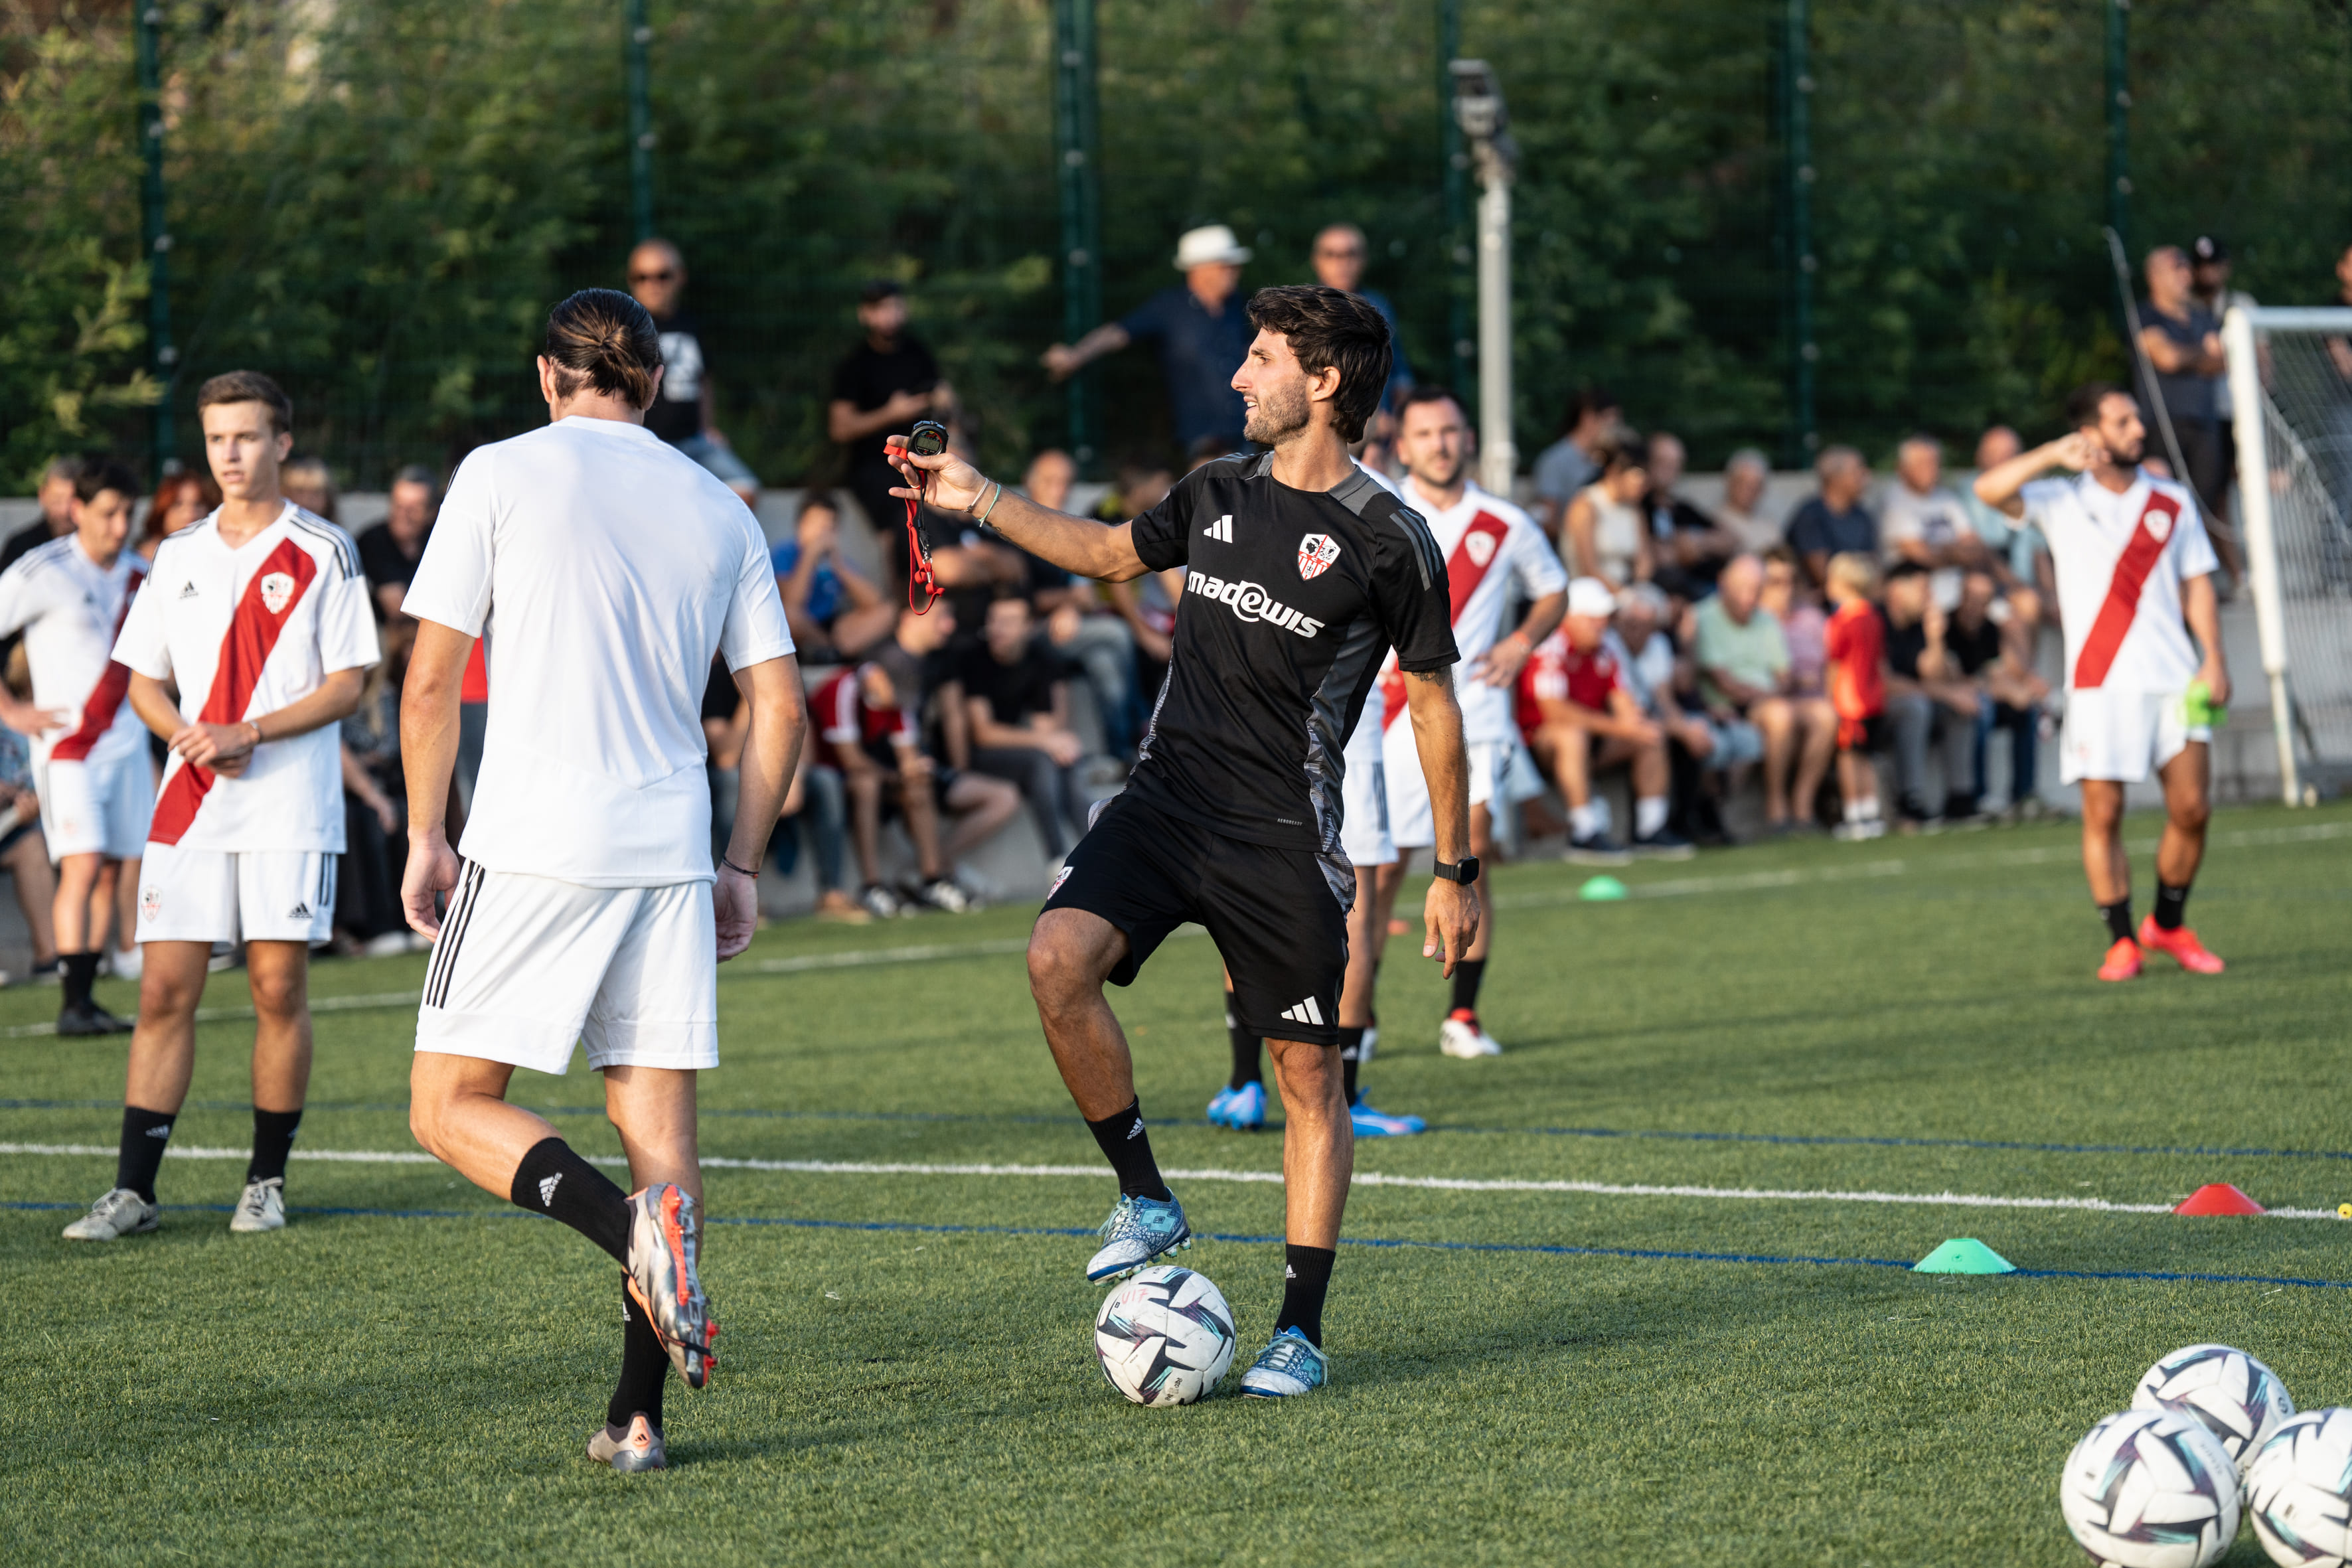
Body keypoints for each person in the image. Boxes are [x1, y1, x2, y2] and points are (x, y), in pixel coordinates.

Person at [889, 282, 1475, 1401]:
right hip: (1165, 799)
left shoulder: (1390, 539)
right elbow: (1109, 551)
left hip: (1280, 834)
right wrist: (981, 498)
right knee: (1057, 958)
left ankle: (1297, 1330)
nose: (1238, 375)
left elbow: (1434, 705)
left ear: (1325, 381)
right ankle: (1145, 1193)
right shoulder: (1212, 488)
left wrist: (1455, 871)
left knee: (1309, 1077)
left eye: (1260, 358)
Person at [399, 289, 803, 1471]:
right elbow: (774, 703)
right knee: (661, 1145)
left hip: (533, 837)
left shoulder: (497, 472)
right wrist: (741, 861)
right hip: (670, 845)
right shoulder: (716, 502)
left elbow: (430, 682)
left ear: (546, 375)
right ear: (657, 382)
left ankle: (618, 1231)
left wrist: (426, 833)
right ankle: (636, 1423)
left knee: (445, 1105)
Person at [63, 370, 378, 1243]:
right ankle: (133, 1189)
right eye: (215, 438)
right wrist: (188, 736)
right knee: (165, 987)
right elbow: (143, 682)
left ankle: (265, 1181)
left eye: (245, 436)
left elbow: (350, 683)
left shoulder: (324, 549)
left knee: (278, 986)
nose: (229, 454)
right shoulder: (176, 552)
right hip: (190, 801)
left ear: (281, 441)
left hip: (287, 802)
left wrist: (252, 731)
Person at [1974, 382, 2229, 981]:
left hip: (2173, 678)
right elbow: (1988, 490)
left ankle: (2166, 925)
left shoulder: (2171, 501)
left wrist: (2213, 657)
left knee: (2192, 808)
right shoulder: (2058, 500)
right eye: (2121, 422)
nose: (2137, 429)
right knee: (2103, 813)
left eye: (2135, 419)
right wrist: (2047, 455)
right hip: (2098, 682)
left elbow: (2196, 583)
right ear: (2089, 435)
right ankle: (2120, 941)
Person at [1375, 384, 1566, 1058]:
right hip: (1389, 709)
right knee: (1383, 867)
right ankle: (1358, 1019)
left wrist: (1521, 643)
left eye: (1451, 431)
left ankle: (1463, 1015)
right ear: (1403, 446)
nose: (1440, 443)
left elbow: (1554, 589)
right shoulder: (1379, 509)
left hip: (1475, 708)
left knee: (1469, 850)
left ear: (1469, 438)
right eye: (1425, 434)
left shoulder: (1504, 522)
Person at [0, 457, 153, 1032]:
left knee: (112, 870)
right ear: (77, 510)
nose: (120, 526)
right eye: (109, 513)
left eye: (129, 514)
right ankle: (71, 1004)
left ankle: (88, 999)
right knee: (83, 865)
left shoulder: (143, 574)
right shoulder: (41, 569)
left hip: (128, 745)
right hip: (70, 747)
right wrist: (11, 710)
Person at [812, 652, 1008, 919]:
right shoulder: (844, 688)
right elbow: (851, 759)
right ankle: (872, 885)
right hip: (834, 775)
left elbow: (907, 754)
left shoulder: (897, 695)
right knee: (866, 784)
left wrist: (912, 770)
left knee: (918, 784)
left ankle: (931, 879)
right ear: (879, 678)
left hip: (877, 772)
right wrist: (897, 775)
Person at [1045, 225, 1254, 459]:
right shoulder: (1169, 307)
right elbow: (1118, 333)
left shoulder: (1240, 306)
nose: (1235, 271)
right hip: (1199, 442)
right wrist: (1076, 356)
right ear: (1199, 268)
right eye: (1226, 265)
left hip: (1245, 435)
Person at [1518, 576, 1680, 864]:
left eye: (1603, 618)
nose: (1601, 625)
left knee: (1649, 734)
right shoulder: (1550, 647)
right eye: (1593, 618)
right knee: (1571, 735)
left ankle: (1651, 828)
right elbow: (1554, 711)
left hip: (1593, 738)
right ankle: (1585, 832)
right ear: (1572, 618)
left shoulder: (1607, 647)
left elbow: (1623, 701)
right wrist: (1620, 726)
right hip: (1542, 745)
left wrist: (1633, 722)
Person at [1694, 554, 1835, 833]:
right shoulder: (1702, 616)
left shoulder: (1766, 620)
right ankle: (1776, 806)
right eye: (1743, 590)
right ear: (1723, 584)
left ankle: (1803, 804)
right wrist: (1768, 693)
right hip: (1734, 708)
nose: (1749, 599)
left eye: (1756, 591)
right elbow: (1725, 684)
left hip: (1770, 699)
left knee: (1825, 715)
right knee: (1780, 714)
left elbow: (1784, 675)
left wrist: (1772, 692)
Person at [627, 238, 758, 505]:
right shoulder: (626, 331)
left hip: (695, 442)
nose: (653, 284)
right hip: (647, 445)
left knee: (745, 489)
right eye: (642, 277)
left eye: (663, 275)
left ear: (680, 277)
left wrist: (708, 426)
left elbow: (703, 379)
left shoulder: (692, 324)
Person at [830, 279, 953, 562]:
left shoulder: (918, 353)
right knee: (897, 529)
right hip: (876, 465)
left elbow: (942, 397)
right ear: (866, 314)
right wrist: (891, 413)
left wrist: (947, 403)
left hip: (923, 458)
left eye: (894, 307)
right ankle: (903, 599)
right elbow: (840, 428)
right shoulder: (855, 365)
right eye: (880, 309)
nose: (889, 315)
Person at [2138, 246, 2239, 584]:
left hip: (2206, 427)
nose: (2185, 275)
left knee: (2202, 507)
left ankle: (2197, 583)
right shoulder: (2145, 315)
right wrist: (2201, 355)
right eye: (2175, 268)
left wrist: (2189, 356)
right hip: (2162, 428)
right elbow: (2165, 357)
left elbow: (2222, 361)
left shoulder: (2201, 317)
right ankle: (2164, 580)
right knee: (2164, 507)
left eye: (2186, 269)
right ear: (2154, 276)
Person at [960, 593, 1087, 858]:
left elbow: (1047, 725)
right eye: (992, 620)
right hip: (970, 754)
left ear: (1028, 627)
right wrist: (1048, 742)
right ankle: (1057, 858)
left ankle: (1095, 854)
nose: (996, 629)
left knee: (1064, 762)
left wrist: (1057, 744)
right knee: (1041, 761)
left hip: (1013, 748)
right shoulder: (974, 658)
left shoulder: (1039, 656)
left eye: (1007, 621)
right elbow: (982, 734)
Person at [1877, 561, 1976, 826]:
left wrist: (1935, 639)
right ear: (1897, 590)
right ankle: (1911, 799)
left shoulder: (1920, 625)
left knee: (1962, 705)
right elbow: (1884, 682)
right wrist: (1945, 694)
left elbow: (1935, 675)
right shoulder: (1875, 619)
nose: (1929, 597)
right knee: (1916, 706)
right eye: (1922, 589)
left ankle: (1961, 797)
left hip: (1918, 698)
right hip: (1876, 709)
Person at [1947, 567, 2049, 816]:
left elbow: (1998, 670)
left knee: (2026, 710)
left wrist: (2022, 688)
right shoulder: (1946, 627)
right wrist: (2003, 690)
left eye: (1985, 601)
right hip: (1954, 704)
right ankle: (1979, 795)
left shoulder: (1990, 629)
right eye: (1973, 599)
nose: (1978, 607)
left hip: (1984, 696)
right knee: (1983, 709)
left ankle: (2024, 794)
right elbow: (1954, 679)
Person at [771, 490, 895, 663]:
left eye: (829, 527)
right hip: (802, 627)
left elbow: (874, 602)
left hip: (833, 626)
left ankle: (836, 652)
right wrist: (810, 555)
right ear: (801, 525)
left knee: (889, 611)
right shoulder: (784, 553)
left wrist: (839, 565)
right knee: (789, 615)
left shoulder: (838, 560)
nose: (822, 533)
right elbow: (792, 602)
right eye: (817, 525)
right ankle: (827, 650)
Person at [1307, 224, 1412, 417]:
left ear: (1363, 259)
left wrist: (1396, 417)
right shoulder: (1302, 309)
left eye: (1351, 254)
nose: (1342, 263)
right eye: (1332, 254)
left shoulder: (1379, 306)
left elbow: (1398, 369)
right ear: (1316, 260)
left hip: (1377, 423)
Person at [1821, 552, 1887, 840]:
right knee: (1866, 758)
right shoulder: (1874, 617)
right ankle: (1871, 813)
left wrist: (1828, 696)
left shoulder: (1841, 620)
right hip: (1874, 696)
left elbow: (1835, 662)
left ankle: (1855, 814)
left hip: (1850, 700)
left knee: (1848, 758)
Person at [1879, 435, 1987, 611]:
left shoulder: (1947, 498)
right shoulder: (1895, 502)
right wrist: (1955, 552)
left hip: (1957, 582)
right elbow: (1923, 556)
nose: (1932, 469)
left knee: (1983, 588)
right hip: (1917, 585)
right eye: (1923, 463)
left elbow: (1975, 546)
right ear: (1903, 468)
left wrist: (1943, 551)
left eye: (1935, 463)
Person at [1644, 432, 1738, 599]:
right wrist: (1679, 548)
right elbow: (1658, 556)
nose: (1670, 470)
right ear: (1647, 463)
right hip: (1671, 593)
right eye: (1663, 462)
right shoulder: (1640, 508)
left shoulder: (1683, 508)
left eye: (1675, 464)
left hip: (1709, 588)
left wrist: (1697, 541)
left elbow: (1730, 540)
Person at [0, 725, 60, 981]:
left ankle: (49, 959)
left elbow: (35, 785)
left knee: (31, 846)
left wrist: (23, 800)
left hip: (9, 829)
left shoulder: (13, 731)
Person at [1561, 435, 1652, 591]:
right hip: (1590, 593)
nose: (1645, 483)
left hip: (1629, 590)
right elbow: (1588, 569)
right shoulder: (1585, 505)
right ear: (1615, 472)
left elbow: (1645, 561)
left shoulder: (1634, 510)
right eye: (1638, 474)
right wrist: (1625, 597)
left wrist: (1637, 585)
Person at [1531, 388, 1620, 542]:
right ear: (1588, 417)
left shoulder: (1608, 460)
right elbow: (1549, 522)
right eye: (1610, 420)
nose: (1615, 429)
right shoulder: (1554, 461)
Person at [1785, 445, 1877, 592]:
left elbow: (1874, 567)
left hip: (1860, 596)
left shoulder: (1862, 516)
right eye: (1857, 470)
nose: (1865, 475)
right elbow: (1823, 577)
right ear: (1835, 478)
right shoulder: (1810, 516)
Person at [3, 457, 83, 575]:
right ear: (42, 496)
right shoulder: (21, 547)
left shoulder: (99, 547)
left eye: (73, 501)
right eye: (57, 501)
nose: (65, 510)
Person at [137, 469, 220, 563]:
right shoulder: (141, 561)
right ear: (163, 510)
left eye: (198, 504)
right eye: (178, 504)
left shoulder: (220, 552)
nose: (190, 513)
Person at [1713, 448, 1782, 556]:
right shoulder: (1715, 521)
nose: (1750, 490)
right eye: (1743, 483)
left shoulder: (1770, 524)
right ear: (1729, 482)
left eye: (1756, 485)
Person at [279, 455, 339, 523]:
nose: (308, 499)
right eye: (300, 491)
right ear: (285, 493)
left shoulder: (337, 533)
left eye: (317, 492)